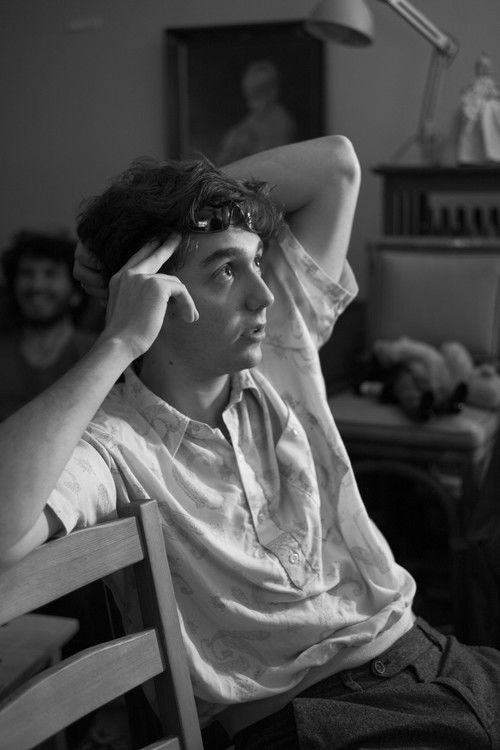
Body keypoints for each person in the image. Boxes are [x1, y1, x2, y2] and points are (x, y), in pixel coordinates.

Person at [0, 137, 499, 749]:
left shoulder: (279, 345)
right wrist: (118, 341)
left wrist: (158, 224)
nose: (262, 293)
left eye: (257, 261)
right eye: (226, 271)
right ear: (152, 293)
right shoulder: (113, 446)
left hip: (432, 657)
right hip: (320, 721)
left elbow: (337, 165)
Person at [0, 231, 97, 420]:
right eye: (27, 273)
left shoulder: (96, 351)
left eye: (50, 273)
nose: (37, 285)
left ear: (76, 292)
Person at [215, 59, 297, 165]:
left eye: (257, 96)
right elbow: (222, 160)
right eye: (250, 97)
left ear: (273, 92)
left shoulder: (281, 121)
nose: (251, 105)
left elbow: (275, 161)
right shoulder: (249, 122)